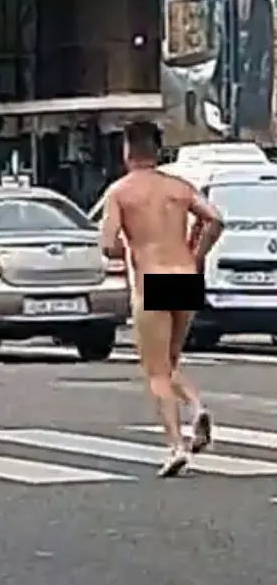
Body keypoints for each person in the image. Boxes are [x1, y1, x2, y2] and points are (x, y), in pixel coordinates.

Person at [99, 120, 223, 477]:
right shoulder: (179, 187)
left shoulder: (120, 192)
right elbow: (215, 219)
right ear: (158, 150)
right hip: (184, 275)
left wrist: (131, 249)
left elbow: (107, 244)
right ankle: (196, 407)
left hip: (151, 278)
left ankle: (176, 445)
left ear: (127, 150)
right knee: (170, 361)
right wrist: (196, 254)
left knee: (156, 371)